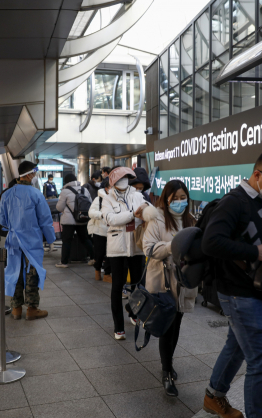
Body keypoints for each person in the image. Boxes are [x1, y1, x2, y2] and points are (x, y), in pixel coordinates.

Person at [201, 149, 262, 418]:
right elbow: (211, 242)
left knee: (236, 346)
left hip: (253, 291)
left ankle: (213, 396)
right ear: (258, 175)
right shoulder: (234, 202)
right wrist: (256, 253)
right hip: (238, 293)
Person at [142, 180, 198, 397]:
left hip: (183, 282)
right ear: (166, 199)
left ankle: (169, 363)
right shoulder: (156, 219)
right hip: (163, 282)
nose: (179, 202)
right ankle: (166, 372)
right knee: (167, 327)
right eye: (175, 198)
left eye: (183, 197)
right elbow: (149, 248)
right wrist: (173, 246)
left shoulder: (190, 219)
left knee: (177, 325)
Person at [0, 161, 55, 320]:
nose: (35, 176)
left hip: (14, 240)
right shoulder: (36, 194)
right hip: (32, 241)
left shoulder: (7, 194)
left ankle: (16, 309)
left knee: (14, 271)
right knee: (32, 272)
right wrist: (51, 239)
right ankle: (31, 308)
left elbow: (0, 219)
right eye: (34, 173)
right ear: (29, 174)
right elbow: (45, 220)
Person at [101, 167, 150, 340]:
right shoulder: (107, 198)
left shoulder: (137, 195)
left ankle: (133, 312)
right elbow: (110, 219)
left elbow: (147, 213)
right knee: (117, 287)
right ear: (113, 180)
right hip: (117, 248)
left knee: (139, 285)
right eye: (120, 177)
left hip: (136, 246)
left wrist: (132, 216)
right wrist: (133, 215)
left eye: (127, 177)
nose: (124, 180)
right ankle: (118, 327)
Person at [55, 173, 94, 268]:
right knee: (85, 239)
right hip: (82, 219)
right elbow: (91, 204)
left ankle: (64, 262)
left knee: (67, 241)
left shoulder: (65, 191)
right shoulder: (84, 190)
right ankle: (94, 258)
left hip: (68, 221)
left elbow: (59, 207)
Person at [88, 178, 112, 282]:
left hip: (113, 231)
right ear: (106, 188)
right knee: (99, 253)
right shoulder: (99, 199)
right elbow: (91, 212)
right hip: (100, 231)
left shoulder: (118, 199)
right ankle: (97, 270)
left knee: (111, 254)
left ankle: (107, 274)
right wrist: (102, 215)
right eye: (111, 187)